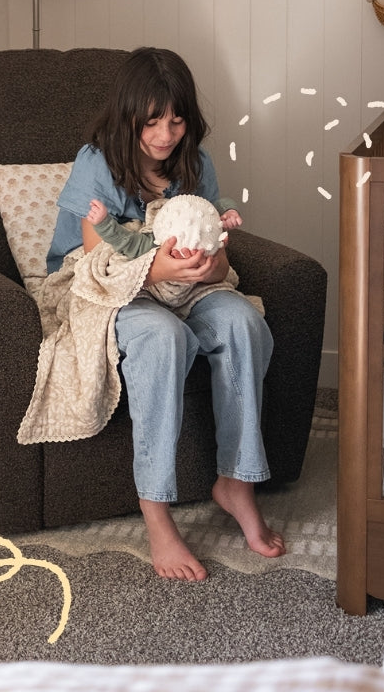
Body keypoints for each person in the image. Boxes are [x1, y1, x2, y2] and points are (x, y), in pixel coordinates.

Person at [45, 46, 285, 581]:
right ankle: (157, 512)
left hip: (181, 287)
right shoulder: (97, 161)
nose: (165, 133)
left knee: (243, 322)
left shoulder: (196, 165)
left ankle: (236, 483)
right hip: (108, 288)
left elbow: (218, 251)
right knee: (161, 338)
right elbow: (96, 258)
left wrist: (210, 267)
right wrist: (160, 272)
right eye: (152, 120)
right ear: (128, 114)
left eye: (176, 120)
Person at [86, 194, 242, 260]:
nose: (192, 235)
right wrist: (104, 223)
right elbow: (126, 241)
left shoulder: (206, 222)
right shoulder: (155, 243)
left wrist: (228, 211)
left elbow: (213, 208)